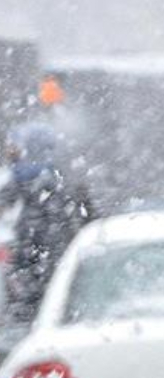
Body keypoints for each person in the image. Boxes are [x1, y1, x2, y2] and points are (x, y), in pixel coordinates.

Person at [1, 122, 94, 324]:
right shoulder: (52, 179)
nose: (10, 153)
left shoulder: (32, 182)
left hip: (37, 265)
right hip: (50, 260)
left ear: (30, 149)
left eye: (16, 147)